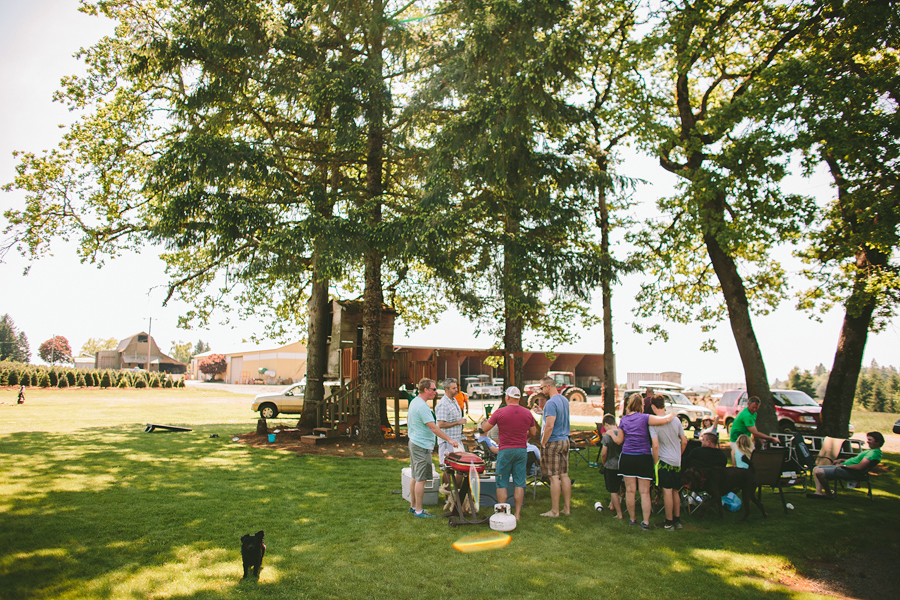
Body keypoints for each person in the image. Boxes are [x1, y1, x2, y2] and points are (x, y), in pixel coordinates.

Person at [609, 393, 675, 530]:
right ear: (641, 405)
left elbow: (620, 441)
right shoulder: (645, 418)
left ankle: (632, 519)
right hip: (643, 457)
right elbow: (664, 420)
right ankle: (645, 522)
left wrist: (611, 432)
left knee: (630, 491)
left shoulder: (624, 420)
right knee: (644, 492)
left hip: (627, 457)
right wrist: (672, 415)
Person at [481, 386, 538, 521]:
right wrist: (524, 436)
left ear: (507, 397)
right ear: (519, 398)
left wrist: (484, 420)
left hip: (505, 450)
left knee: (502, 482)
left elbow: (485, 429)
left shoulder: (500, 412)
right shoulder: (527, 413)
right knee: (519, 482)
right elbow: (534, 433)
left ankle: (503, 512)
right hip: (521, 450)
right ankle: (517, 514)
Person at [407, 378, 461, 518]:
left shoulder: (415, 402)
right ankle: (419, 510)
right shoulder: (422, 406)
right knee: (421, 479)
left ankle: (413, 507)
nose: (436, 392)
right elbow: (434, 427)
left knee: (415, 475)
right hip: (421, 446)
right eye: (434, 389)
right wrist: (449, 439)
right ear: (426, 390)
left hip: (415, 442)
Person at [808, 431, 884, 499]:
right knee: (816, 468)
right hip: (846, 468)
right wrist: (843, 460)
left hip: (852, 472)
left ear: (877, 442)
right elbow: (856, 461)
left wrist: (843, 466)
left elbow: (859, 467)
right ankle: (818, 492)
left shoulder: (873, 453)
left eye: (870, 440)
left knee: (819, 472)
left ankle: (828, 493)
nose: (867, 442)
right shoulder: (870, 451)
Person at [650, 395, 687, 530]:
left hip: (664, 460)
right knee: (676, 491)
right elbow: (684, 440)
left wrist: (655, 462)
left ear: (654, 407)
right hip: (676, 461)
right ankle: (677, 520)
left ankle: (668, 521)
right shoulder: (676, 420)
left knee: (667, 491)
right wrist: (679, 454)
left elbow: (655, 445)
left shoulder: (653, 423)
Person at [538, 376, 572, 517]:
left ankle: (554, 511)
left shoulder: (551, 403)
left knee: (553, 477)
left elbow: (550, 425)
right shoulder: (564, 400)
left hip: (554, 442)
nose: (541, 391)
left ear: (548, 387)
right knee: (564, 475)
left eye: (541, 388)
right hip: (565, 440)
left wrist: (544, 442)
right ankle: (567, 509)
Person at [435, 378, 467, 489]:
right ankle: (447, 493)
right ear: (446, 389)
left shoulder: (453, 401)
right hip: (447, 441)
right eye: (453, 388)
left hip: (456, 440)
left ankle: (456, 493)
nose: (456, 390)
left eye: (456, 387)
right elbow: (441, 424)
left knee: (460, 468)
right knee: (448, 468)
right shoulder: (443, 404)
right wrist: (458, 422)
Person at [729, 396, 778, 465]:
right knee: (741, 459)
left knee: (752, 457)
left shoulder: (753, 413)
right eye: (753, 407)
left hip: (745, 439)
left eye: (756, 408)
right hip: (737, 440)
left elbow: (753, 428)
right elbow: (755, 433)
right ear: (748, 404)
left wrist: (761, 439)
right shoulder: (746, 415)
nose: (754, 409)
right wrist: (772, 438)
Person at [599, 413, 624, 519]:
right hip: (622, 464)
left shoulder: (608, 435)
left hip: (611, 465)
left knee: (613, 489)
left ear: (606, 424)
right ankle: (612, 504)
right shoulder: (622, 433)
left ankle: (619, 513)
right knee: (620, 487)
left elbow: (604, 453)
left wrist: (604, 464)